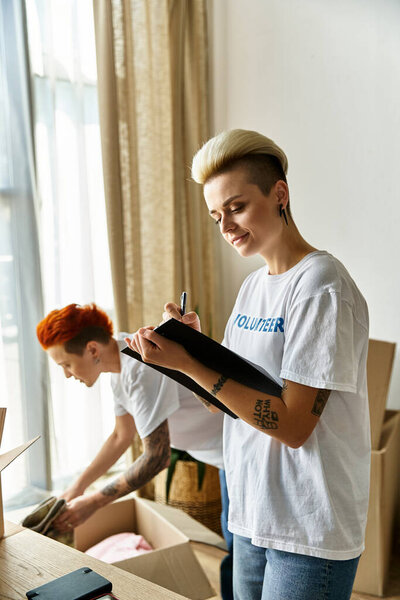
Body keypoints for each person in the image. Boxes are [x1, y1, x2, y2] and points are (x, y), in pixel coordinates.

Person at [126, 129, 370, 600]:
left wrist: (192, 365)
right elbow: (229, 405)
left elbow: (293, 426)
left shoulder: (321, 286)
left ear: (279, 194)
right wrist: (190, 352)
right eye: (216, 215)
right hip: (251, 512)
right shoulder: (254, 287)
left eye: (236, 207)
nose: (226, 226)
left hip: (307, 529)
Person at [36, 302, 233, 599]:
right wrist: (76, 488)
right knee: (238, 552)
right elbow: (120, 436)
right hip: (225, 457)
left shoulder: (140, 368)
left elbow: (156, 456)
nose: (66, 375)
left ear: (92, 350)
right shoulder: (119, 368)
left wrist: (92, 504)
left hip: (238, 452)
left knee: (242, 556)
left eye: (65, 364)